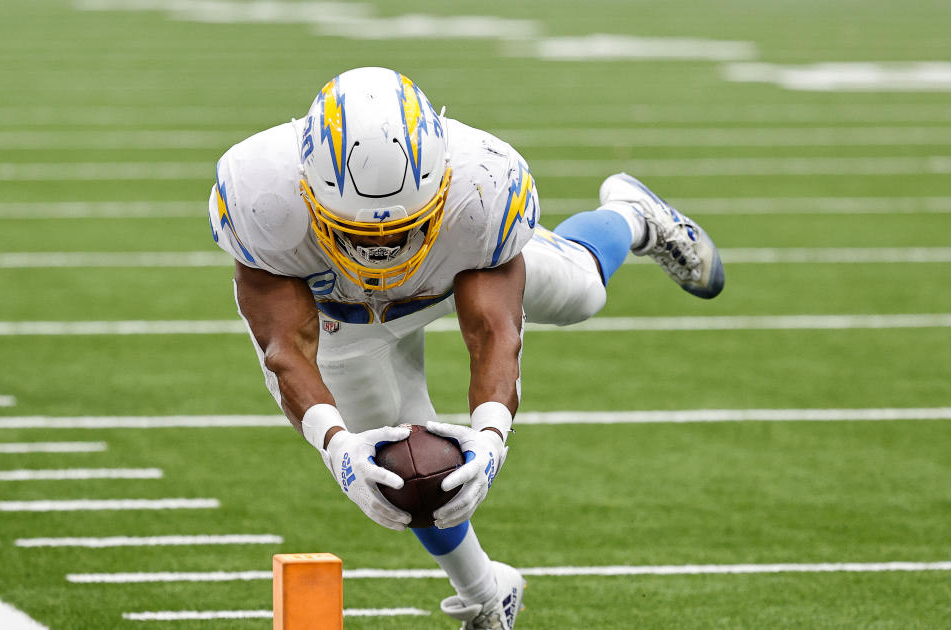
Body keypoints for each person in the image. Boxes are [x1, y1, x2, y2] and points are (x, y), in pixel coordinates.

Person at [207, 66, 723, 630]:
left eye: (404, 226)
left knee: (582, 295)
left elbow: (493, 332)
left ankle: (632, 216)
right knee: (404, 476)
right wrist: (337, 449)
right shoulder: (261, 195)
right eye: (357, 232)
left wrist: (493, 437)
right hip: (345, 320)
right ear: (306, 189)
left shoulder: (483, 187)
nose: (382, 250)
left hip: (450, 271)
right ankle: (486, 593)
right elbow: (285, 348)